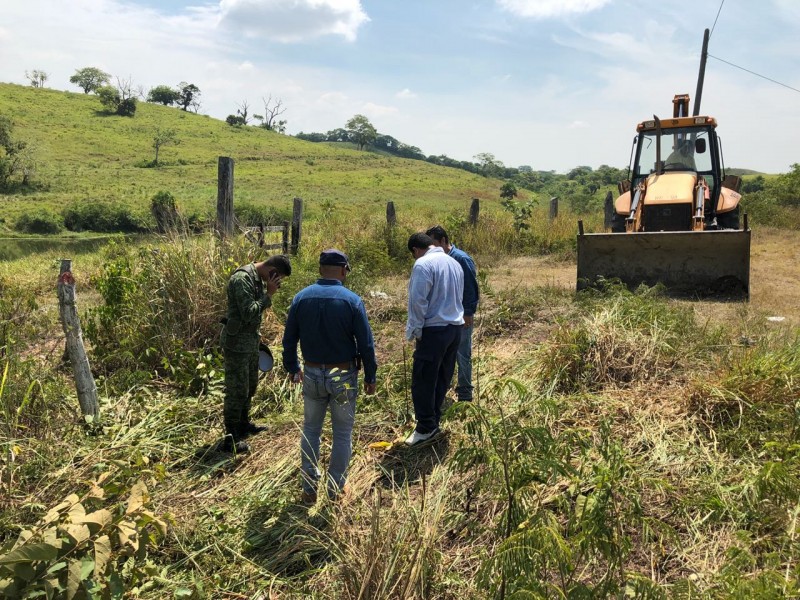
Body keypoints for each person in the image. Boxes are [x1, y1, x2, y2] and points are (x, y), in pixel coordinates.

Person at [282, 249, 377, 502]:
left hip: (311, 372)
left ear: (320, 268)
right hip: (343, 374)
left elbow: (289, 339)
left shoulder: (300, 298)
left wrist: (292, 368)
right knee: (342, 433)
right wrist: (371, 376)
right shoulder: (352, 300)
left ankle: (309, 489)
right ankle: (336, 488)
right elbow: (366, 344)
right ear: (344, 269)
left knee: (311, 429)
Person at [220, 255, 292, 454]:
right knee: (237, 390)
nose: (278, 283)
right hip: (236, 346)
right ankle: (231, 438)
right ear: (273, 272)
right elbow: (249, 312)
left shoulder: (257, 279)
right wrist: (268, 295)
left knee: (250, 385)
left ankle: (243, 425)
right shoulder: (242, 278)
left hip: (250, 343)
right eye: (279, 278)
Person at [405, 232, 464, 446]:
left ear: (415, 250)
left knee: (423, 380)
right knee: (442, 377)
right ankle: (434, 420)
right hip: (454, 329)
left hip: (434, 331)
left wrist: (415, 332)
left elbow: (418, 302)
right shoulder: (453, 263)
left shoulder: (423, 264)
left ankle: (426, 427)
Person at [426, 225, 479, 402]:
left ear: (443, 241)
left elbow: (471, 288)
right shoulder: (438, 260)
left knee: (462, 353)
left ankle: (465, 393)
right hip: (445, 316)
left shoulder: (461, 259)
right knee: (446, 353)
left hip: (461, 315)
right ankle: (445, 386)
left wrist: (468, 313)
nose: (431, 250)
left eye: (434, 244)